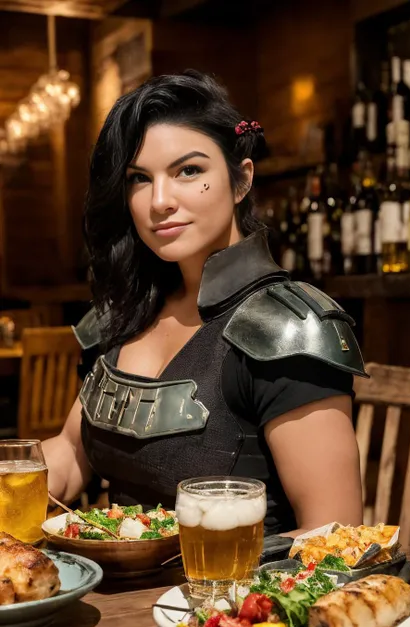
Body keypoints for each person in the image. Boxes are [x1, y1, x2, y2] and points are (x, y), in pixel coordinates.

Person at [43, 70, 366, 543]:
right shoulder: (125, 312)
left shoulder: (288, 328)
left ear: (241, 180)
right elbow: (71, 454)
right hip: (110, 602)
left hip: (231, 603)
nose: (159, 201)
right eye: (139, 179)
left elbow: (334, 533)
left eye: (188, 171)